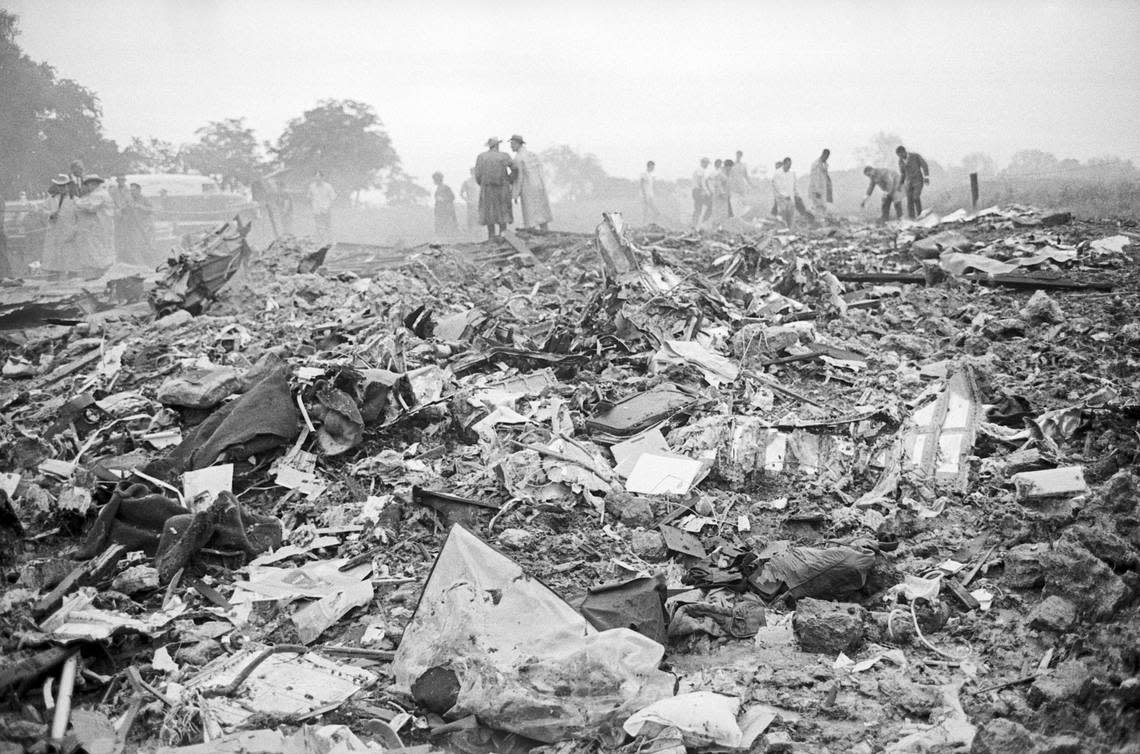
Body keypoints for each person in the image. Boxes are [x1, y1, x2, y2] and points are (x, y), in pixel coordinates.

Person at [72, 175, 115, 276]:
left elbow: (91, 207)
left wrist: (77, 202)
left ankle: (100, 269)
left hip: (99, 225)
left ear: (94, 184)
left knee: (97, 246)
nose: (88, 187)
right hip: (102, 224)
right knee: (101, 246)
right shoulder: (100, 193)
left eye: (89, 185)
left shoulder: (98, 194)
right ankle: (101, 268)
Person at [508, 134, 552, 231]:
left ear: (518, 144)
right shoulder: (532, 155)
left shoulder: (518, 158)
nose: (511, 146)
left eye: (512, 144)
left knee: (530, 214)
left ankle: (532, 235)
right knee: (541, 212)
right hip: (539, 186)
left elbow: (519, 177)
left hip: (527, 188)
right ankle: (545, 232)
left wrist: (515, 194)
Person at [474, 137, 515, 240]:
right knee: (503, 212)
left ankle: (491, 237)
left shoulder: (481, 157)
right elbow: (515, 168)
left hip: (487, 189)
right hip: (502, 188)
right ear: (497, 145)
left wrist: (483, 183)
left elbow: (478, 175)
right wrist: (509, 179)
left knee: (489, 213)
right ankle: (503, 236)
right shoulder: (504, 156)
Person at [41, 174, 80, 274]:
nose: (62, 188)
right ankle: (54, 275)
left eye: (64, 186)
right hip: (54, 230)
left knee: (70, 255)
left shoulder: (74, 200)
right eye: (60, 186)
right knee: (54, 255)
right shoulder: (51, 199)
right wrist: (50, 214)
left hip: (69, 231)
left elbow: (80, 217)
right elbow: (42, 210)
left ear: (68, 186)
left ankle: (72, 276)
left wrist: (75, 230)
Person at [118, 182, 155, 265]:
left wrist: (139, 207)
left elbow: (152, 210)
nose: (132, 192)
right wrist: (124, 208)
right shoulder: (129, 200)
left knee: (146, 244)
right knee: (133, 245)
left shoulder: (145, 199)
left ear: (139, 190)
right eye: (131, 191)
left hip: (144, 225)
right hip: (132, 226)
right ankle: (137, 263)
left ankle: (149, 262)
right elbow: (122, 210)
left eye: (134, 190)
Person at [896, 145, 930, 219]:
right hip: (908, 183)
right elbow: (903, 173)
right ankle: (912, 218)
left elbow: (924, 165)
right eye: (899, 156)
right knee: (909, 200)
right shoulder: (900, 161)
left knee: (916, 197)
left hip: (918, 180)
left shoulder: (915, 156)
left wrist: (926, 177)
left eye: (901, 155)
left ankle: (920, 215)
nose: (901, 157)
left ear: (904, 151)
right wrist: (900, 184)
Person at [308, 172, 337, 242]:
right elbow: (309, 197)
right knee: (318, 226)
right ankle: (320, 240)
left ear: (322, 177)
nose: (317, 179)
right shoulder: (312, 186)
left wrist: (329, 206)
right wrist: (311, 206)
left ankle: (329, 240)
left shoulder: (328, 186)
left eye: (319, 177)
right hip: (316, 209)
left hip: (326, 209)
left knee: (327, 226)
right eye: (316, 177)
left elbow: (333, 197)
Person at [771, 157, 796, 228]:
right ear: (784, 164)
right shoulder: (777, 174)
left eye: (790, 165)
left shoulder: (790, 174)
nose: (789, 167)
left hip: (789, 199)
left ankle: (789, 231)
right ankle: (782, 231)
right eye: (788, 165)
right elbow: (778, 188)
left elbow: (792, 186)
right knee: (782, 216)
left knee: (790, 216)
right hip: (781, 199)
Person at [432, 171, 459, 236]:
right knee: (440, 227)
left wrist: (443, 200)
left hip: (446, 210)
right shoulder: (438, 188)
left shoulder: (446, 187)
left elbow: (452, 197)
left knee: (447, 227)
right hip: (440, 211)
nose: (434, 181)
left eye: (435, 179)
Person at [808, 149, 833, 217]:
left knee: (822, 206)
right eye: (826, 156)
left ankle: (821, 219)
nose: (827, 158)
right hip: (816, 189)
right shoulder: (816, 164)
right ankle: (813, 219)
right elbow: (815, 178)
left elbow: (825, 177)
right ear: (823, 154)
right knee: (817, 206)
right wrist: (817, 191)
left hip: (822, 189)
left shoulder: (825, 164)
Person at [690, 157, 712, 227]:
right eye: (706, 164)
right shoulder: (700, 170)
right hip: (698, 191)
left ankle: (694, 224)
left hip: (696, 191)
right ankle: (701, 223)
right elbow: (700, 182)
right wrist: (706, 191)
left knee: (698, 209)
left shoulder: (699, 170)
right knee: (710, 205)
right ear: (703, 163)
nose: (707, 165)